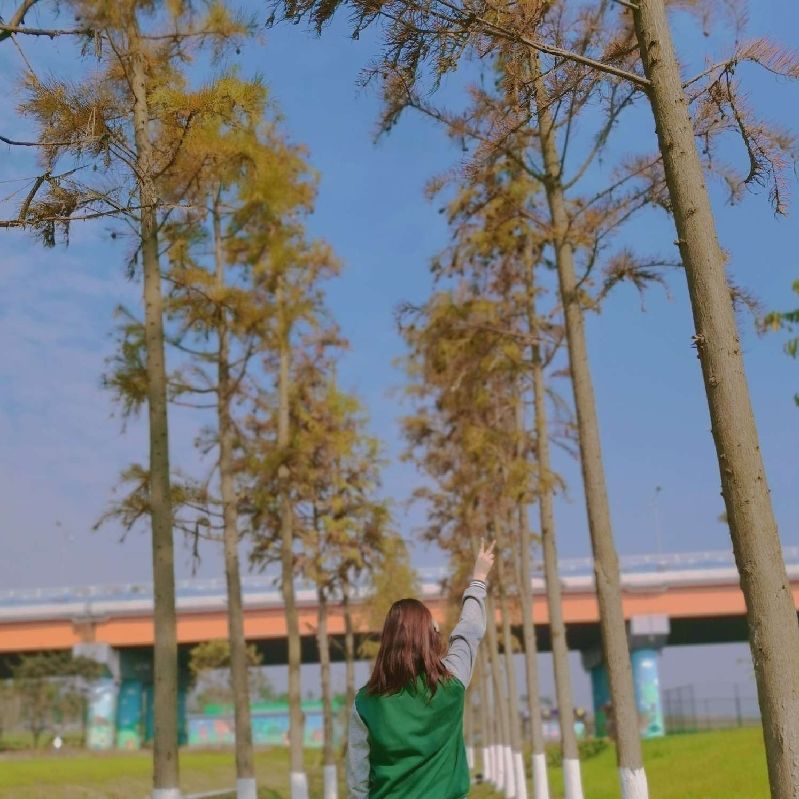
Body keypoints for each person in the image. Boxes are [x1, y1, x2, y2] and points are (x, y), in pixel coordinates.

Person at [346, 540, 496, 799]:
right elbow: (469, 630)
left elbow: (358, 782)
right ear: (430, 638)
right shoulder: (452, 683)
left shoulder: (366, 703)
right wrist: (479, 577)